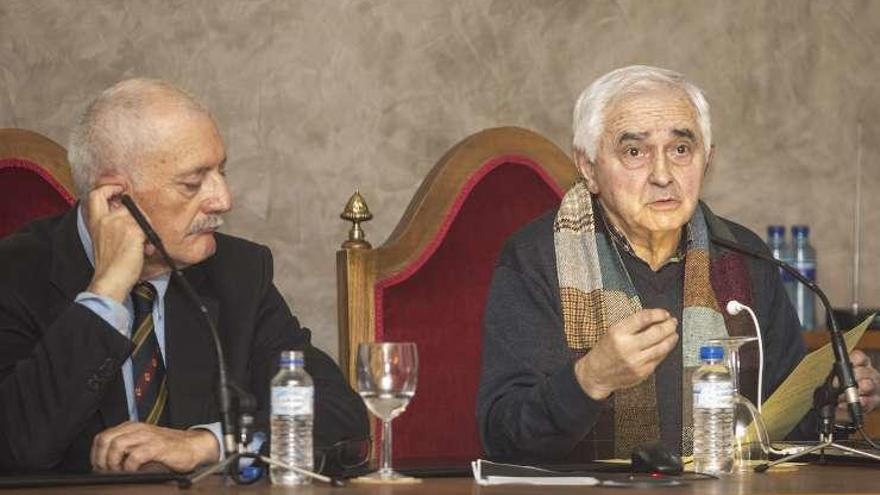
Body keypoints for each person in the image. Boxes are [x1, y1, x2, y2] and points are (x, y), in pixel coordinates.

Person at [477, 65, 880, 462]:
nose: (663, 175)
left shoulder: (742, 255)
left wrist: (833, 405)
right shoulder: (536, 258)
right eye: (634, 151)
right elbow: (504, 439)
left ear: (708, 160)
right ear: (588, 168)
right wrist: (591, 379)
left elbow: (783, 430)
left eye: (681, 149)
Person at [0, 79, 368, 474]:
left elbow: (339, 413)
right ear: (115, 198)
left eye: (221, 172)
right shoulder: (15, 275)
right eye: (193, 183)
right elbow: (17, 447)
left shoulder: (239, 271)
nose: (223, 200)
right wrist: (105, 293)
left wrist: (208, 442)